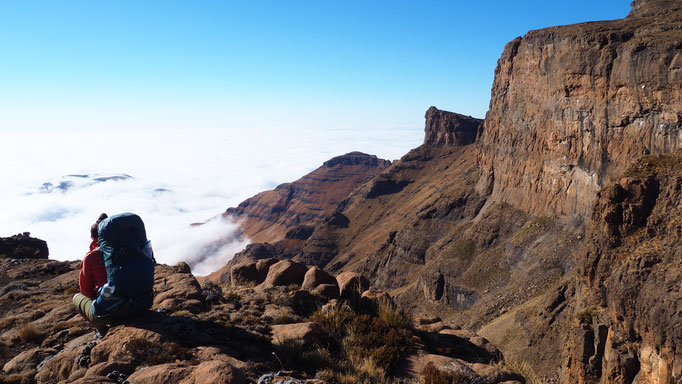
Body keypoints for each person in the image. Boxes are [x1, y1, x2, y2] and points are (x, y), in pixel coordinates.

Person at [73, 213, 109, 327]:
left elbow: (86, 291)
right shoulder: (125, 248)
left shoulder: (91, 257)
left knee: (77, 297)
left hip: (111, 312)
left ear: (93, 237)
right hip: (141, 302)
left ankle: (101, 328)